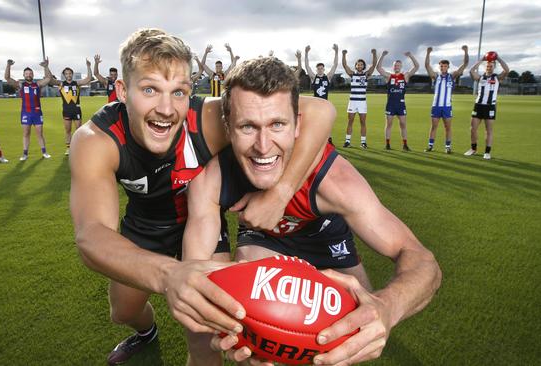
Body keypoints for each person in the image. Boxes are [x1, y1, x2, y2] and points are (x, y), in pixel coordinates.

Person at [69, 29, 336, 366]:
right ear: (122, 90)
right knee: (122, 311)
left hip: (204, 223)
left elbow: (319, 112)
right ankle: (146, 332)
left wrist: (280, 193)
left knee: (208, 339)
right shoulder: (96, 139)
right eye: (150, 89)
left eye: (178, 92)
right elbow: (91, 235)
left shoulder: (208, 119)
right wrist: (170, 274)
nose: (166, 109)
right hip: (145, 228)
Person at [182, 57, 441, 366]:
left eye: (277, 124)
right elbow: (195, 273)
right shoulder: (211, 180)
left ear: (298, 125)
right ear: (228, 127)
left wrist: (387, 306)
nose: (264, 146)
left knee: (354, 326)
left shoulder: (335, 181)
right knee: (248, 315)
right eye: (248, 126)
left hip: (323, 232)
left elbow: (422, 260)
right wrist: (227, 321)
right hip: (263, 237)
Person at [4, 58, 55, 160]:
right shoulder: (20, 85)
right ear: (23, 75)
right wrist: (8, 65)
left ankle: (44, 152)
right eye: (26, 73)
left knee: (39, 133)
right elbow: (7, 78)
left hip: (37, 113)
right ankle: (25, 154)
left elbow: (49, 78)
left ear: (33, 75)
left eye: (30, 73)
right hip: (26, 113)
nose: (28, 75)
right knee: (26, 133)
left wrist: (46, 66)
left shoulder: (38, 84)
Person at [424, 45, 469, 153]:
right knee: (434, 126)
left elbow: (465, 64)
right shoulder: (435, 76)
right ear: (439, 67)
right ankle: (430, 146)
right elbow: (426, 65)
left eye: (445, 66)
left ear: (448, 67)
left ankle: (448, 147)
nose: (443, 68)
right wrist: (428, 53)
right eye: (441, 66)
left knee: (447, 127)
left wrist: (465, 51)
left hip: (447, 106)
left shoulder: (452, 76)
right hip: (436, 106)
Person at [465, 53, 510, 160]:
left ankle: (487, 152)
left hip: (490, 107)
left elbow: (507, 70)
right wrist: (482, 59)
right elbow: (471, 71)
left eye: (491, 66)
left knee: (488, 130)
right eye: (488, 66)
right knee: (473, 129)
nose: (489, 67)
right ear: (485, 67)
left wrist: (498, 58)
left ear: (494, 67)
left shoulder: (497, 78)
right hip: (478, 106)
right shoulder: (480, 78)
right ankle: (473, 149)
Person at [376, 50, 419, 151]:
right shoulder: (389, 76)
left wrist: (411, 56)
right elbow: (378, 68)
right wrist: (382, 55)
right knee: (389, 124)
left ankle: (405, 145)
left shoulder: (405, 76)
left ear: (401, 66)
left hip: (401, 105)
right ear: (393, 67)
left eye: (398, 65)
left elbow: (416, 67)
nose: (397, 67)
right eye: (395, 65)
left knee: (403, 124)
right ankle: (387, 144)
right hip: (390, 104)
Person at [50, 60, 93, 155]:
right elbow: (50, 79)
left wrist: (88, 66)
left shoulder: (77, 83)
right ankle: (68, 148)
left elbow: (89, 78)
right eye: (66, 73)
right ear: (64, 75)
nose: (68, 75)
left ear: (72, 74)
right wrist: (46, 66)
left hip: (76, 110)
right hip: (66, 111)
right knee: (68, 130)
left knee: (78, 130)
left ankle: (79, 147)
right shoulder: (61, 84)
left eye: (70, 73)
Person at [341, 48, 378, 149]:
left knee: (363, 122)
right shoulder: (352, 74)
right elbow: (344, 65)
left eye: (361, 64)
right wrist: (343, 54)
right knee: (350, 121)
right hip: (352, 102)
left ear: (363, 66)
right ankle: (347, 141)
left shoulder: (366, 75)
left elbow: (374, 65)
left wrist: (374, 54)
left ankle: (363, 142)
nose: (360, 66)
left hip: (362, 103)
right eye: (358, 64)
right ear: (356, 66)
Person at [305, 43, 339, 144]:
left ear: (324, 69)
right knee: (314, 123)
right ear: (317, 69)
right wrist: (306, 53)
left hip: (325, 104)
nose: (320, 70)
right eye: (318, 68)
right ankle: (315, 140)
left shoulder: (327, 77)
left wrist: (336, 52)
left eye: (321, 68)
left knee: (327, 123)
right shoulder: (313, 77)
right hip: (315, 105)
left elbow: (335, 65)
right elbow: (307, 66)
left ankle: (329, 139)